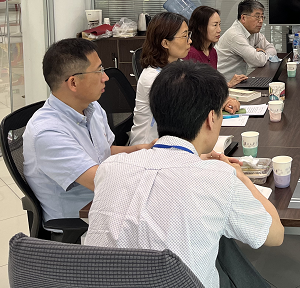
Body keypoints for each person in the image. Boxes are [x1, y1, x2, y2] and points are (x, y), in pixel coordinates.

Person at [85, 61, 284, 288]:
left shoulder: (111, 167)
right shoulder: (219, 179)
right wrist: (241, 177)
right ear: (211, 118)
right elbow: (275, 235)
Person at [22, 38, 154, 229]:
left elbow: (104, 151)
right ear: (73, 82)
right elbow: (102, 181)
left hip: (104, 203)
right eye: (98, 71)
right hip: (80, 223)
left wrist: (145, 149)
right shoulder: (47, 133)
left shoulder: (91, 107)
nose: (105, 77)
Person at [129, 12, 241, 146]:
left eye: (189, 35)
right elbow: (191, 106)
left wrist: (225, 99)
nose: (190, 41)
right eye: (184, 36)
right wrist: (219, 101)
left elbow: (202, 90)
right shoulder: (153, 78)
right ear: (165, 43)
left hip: (174, 142)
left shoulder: (178, 64)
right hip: (149, 148)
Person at [187, 5, 248, 87]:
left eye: (219, 24)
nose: (219, 30)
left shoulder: (212, 52)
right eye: (215, 25)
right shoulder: (191, 53)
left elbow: (212, 85)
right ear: (200, 27)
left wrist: (228, 84)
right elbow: (195, 89)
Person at [216, 0, 277, 81]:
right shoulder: (235, 35)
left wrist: (263, 53)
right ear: (243, 18)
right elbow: (259, 61)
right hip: (224, 84)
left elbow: (272, 49)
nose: (261, 21)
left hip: (238, 81)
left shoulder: (253, 31)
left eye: (262, 17)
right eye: (257, 17)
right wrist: (261, 53)